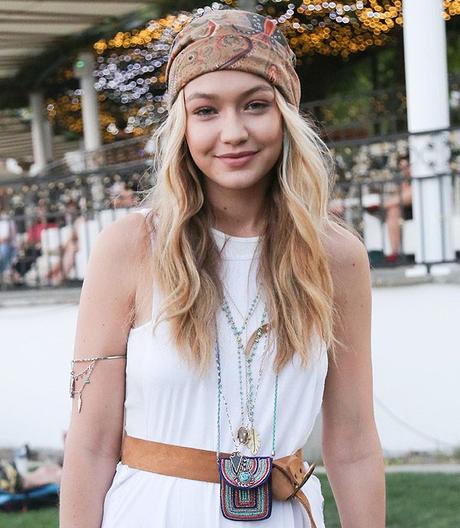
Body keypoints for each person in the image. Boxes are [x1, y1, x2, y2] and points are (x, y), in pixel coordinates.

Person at [60, 9, 385, 528]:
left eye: (255, 106)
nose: (233, 132)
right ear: (182, 125)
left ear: (286, 116)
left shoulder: (337, 257)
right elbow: (90, 446)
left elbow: (353, 443)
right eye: (206, 111)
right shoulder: (131, 247)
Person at [383, 156, 412, 264]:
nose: (405, 170)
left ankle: (394, 252)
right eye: (402, 168)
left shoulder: (418, 178)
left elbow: (409, 197)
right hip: (403, 211)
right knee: (393, 211)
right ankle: (394, 252)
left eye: (407, 167)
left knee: (393, 208)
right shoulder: (404, 181)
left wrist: (385, 204)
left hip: (415, 210)